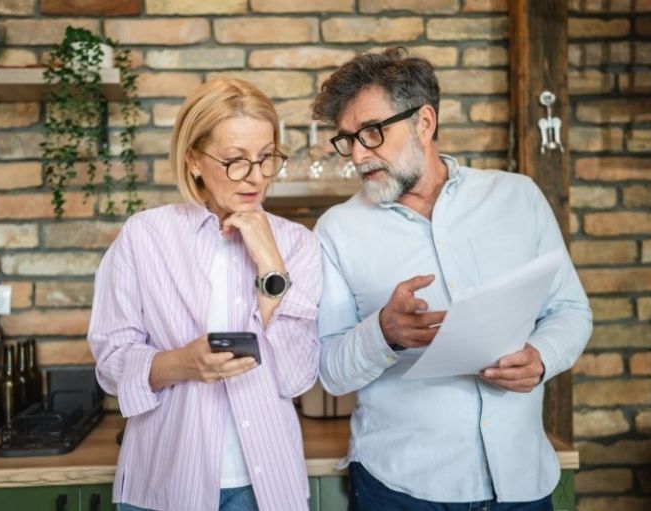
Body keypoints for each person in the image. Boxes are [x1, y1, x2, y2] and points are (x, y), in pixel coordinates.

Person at [312, 47, 592, 510]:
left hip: (522, 479)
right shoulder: (336, 231)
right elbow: (329, 372)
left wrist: (542, 358)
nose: (358, 155)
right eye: (347, 139)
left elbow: (570, 310)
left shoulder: (518, 198)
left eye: (372, 133)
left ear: (424, 122)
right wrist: (384, 333)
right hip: (399, 488)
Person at [88, 77, 322, 511]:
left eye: (267, 158)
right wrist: (180, 364)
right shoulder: (145, 237)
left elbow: (297, 377)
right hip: (163, 484)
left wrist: (271, 265)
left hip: (267, 489)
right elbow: (110, 365)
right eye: (235, 160)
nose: (255, 177)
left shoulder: (297, 245)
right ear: (194, 159)